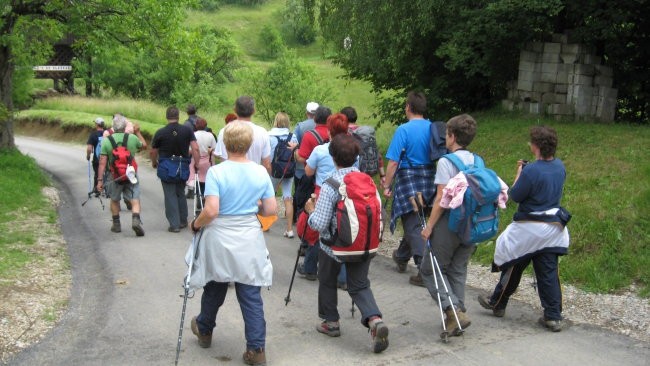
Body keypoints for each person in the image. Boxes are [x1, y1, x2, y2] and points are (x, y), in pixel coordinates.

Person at [189, 122, 277, 366]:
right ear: (249, 145)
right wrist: (251, 206)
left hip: (220, 237)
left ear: (224, 145)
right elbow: (271, 209)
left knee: (215, 286)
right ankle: (256, 349)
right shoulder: (260, 172)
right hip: (249, 236)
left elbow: (212, 210)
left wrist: (196, 224)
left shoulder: (217, 172)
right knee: (250, 293)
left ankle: (204, 329)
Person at [477, 125, 569, 332]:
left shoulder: (532, 170)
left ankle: (497, 303)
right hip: (553, 227)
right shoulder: (560, 166)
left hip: (530, 227)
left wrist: (520, 173)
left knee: (513, 264)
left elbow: (515, 196)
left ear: (535, 147)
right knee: (548, 272)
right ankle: (553, 316)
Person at [304, 134, 389, 354]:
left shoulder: (331, 183)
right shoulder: (367, 181)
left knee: (327, 280)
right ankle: (375, 320)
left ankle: (330, 322)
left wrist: (310, 212)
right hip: (364, 242)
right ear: (356, 157)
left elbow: (320, 224)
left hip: (334, 246)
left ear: (333, 157)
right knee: (359, 285)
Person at [419, 114, 479, 336]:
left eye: (446, 134)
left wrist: (429, 226)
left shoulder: (446, 162)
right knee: (457, 269)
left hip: (451, 223)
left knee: (430, 268)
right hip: (472, 223)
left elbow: (441, 198)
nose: (445, 138)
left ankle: (453, 311)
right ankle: (457, 313)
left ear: (452, 137)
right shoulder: (477, 160)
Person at [382, 91, 436, 287]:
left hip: (409, 177)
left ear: (408, 108)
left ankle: (424, 270)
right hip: (430, 177)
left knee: (413, 223)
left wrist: (387, 185)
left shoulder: (403, 130)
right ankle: (402, 256)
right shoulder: (433, 128)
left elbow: (393, 162)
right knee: (415, 218)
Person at [305, 113, 351, 289]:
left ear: (329, 130)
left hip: (322, 191)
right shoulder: (353, 151)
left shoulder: (320, 150)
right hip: (346, 192)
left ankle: (310, 267)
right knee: (343, 230)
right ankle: (343, 276)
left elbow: (308, 172)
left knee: (319, 231)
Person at [294, 106, 331, 281]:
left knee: (310, 220)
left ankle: (307, 255)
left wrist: (295, 152)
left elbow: (303, 159)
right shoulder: (342, 140)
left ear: (315, 119)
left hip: (315, 184)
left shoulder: (309, 135)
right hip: (339, 187)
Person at [150, 106, 201, 233]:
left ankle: (174, 224)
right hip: (182, 165)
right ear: (178, 116)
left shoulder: (160, 132)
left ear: (167, 117)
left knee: (170, 194)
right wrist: (197, 163)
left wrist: (154, 162)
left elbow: (153, 151)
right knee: (180, 193)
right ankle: (183, 220)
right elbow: (195, 148)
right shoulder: (187, 131)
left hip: (167, 166)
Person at [96, 114, 147, 236]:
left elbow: (102, 162)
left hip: (114, 176)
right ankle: (135, 220)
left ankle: (116, 224)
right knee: (135, 199)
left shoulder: (107, 141)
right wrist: (138, 133)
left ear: (113, 127)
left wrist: (99, 180)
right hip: (131, 175)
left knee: (114, 200)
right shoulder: (132, 138)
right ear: (125, 126)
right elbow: (144, 146)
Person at [213, 96, 272, 174]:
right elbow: (266, 164)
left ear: (235, 110)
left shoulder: (225, 131)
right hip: (254, 178)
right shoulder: (262, 132)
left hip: (230, 179)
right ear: (254, 111)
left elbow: (223, 160)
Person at [340, 106, 386, 187]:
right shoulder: (365, 133)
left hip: (349, 178)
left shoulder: (344, 134)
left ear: (343, 119)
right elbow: (378, 155)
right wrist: (383, 176)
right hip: (365, 176)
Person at [268, 112, 296, 238]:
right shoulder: (293, 136)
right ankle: (289, 229)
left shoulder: (270, 136)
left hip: (274, 171)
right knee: (288, 197)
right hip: (288, 171)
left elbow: (268, 157)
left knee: (269, 196)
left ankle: (265, 224)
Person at [187, 117, 217, 215]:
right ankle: (204, 197)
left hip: (196, 159)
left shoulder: (193, 135)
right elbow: (214, 149)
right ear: (205, 125)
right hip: (207, 160)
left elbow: (190, 149)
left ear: (196, 125)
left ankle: (199, 197)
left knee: (197, 179)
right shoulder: (210, 136)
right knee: (206, 180)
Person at [86, 117, 106, 193]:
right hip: (107, 158)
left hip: (97, 159)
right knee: (106, 173)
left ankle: (97, 189)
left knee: (97, 174)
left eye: (95, 123)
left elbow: (89, 148)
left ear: (97, 125)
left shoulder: (93, 135)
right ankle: (106, 189)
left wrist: (88, 156)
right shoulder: (106, 133)